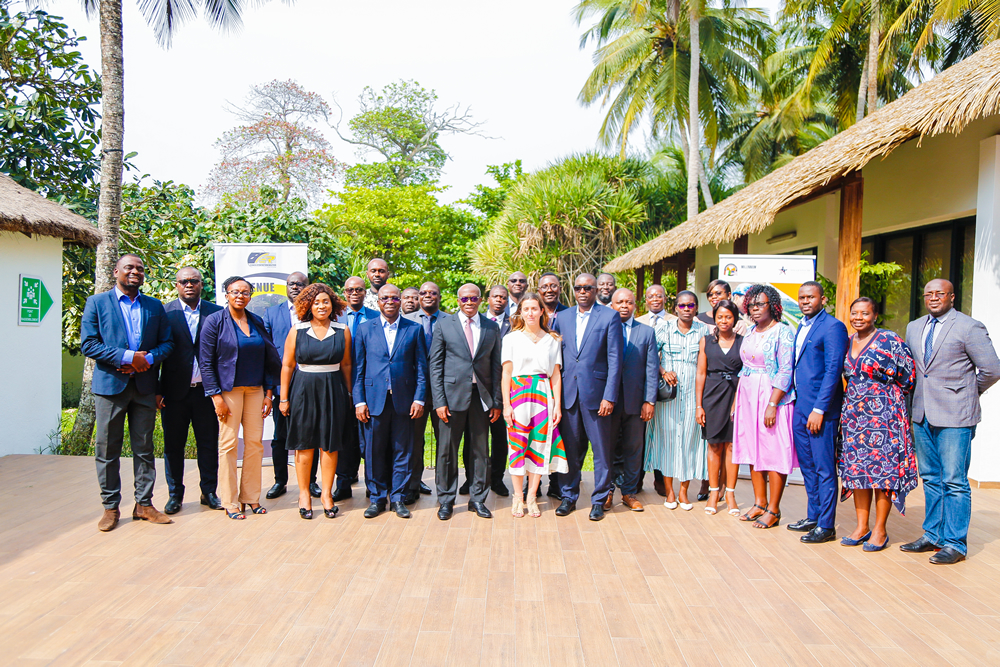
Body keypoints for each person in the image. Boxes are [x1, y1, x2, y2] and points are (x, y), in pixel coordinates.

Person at [902, 278, 1000, 564]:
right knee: (931, 477)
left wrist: (967, 392)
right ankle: (932, 534)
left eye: (940, 293)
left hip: (956, 415)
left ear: (952, 297)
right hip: (921, 413)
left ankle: (955, 543)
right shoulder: (914, 327)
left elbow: (992, 369)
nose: (933, 298)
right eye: (928, 294)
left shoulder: (969, 326)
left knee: (954, 480)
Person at [81, 254, 175, 532]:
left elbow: (167, 344)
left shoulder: (154, 306)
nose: (135, 272)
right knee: (107, 448)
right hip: (110, 387)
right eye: (129, 268)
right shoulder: (97, 303)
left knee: (144, 448)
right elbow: (89, 344)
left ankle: (143, 505)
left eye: (140, 268)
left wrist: (145, 359)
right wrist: (126, 356)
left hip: (144, 387)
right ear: (115, 272)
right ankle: (110, 508)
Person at [200, 276, 281, 520]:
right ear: (226, 294)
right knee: (228, 445)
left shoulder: (256, 321)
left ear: (250, 296)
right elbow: (205, 362)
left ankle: (251, 497)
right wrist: (216, 397)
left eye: (245, 292)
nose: (240, 296)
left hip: (255, 391)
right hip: (228, 392)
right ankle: (230, 501)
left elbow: (269, 359)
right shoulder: (214, 322)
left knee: (255, 444)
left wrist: (269, 393)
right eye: (235, 292)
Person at [839, 297, 917, 551]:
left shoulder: (889, 340)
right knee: (858, 472)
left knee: (882, 472)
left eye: (864, 313)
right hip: (854, 415)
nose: (858, 318)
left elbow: (908, 376)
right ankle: (862, 526)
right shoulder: (847, 341)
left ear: (875, 316)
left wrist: (887, 400)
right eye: (854, 313)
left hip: (885, 415)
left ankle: (880, 530)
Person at [551, 273, 623, 521]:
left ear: (595, 291)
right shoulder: (562, 317)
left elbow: (615, 359)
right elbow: (555, 358)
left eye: (588, 288)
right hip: (568, 395)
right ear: (574, 290)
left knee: (602, 451)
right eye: (579, 288)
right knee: (570, 449)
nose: (583, 291)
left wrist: (609, 396)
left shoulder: (610, 316)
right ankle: (568, 496)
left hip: (598, 396)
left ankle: (599, 500)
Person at [353, 284, 428, 519]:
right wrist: (359, 401)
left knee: (403, 451)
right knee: (374, 452)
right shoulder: (365, 330)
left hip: (405, 402)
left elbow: (422, 369)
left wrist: (419, 398)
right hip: (373, 401)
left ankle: (398, 498)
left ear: (400, 301)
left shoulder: (414, 329)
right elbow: (358, 369)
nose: (389, 302)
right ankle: (376, 498)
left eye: (394, 298)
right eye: (385, 298)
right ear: (378, 301)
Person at [430, 284, 503, 520]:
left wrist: (496, 402)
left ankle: (478, 499)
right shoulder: (443, 325)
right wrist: (439, 401)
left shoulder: (491, 327)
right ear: (458, 300)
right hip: (451, 399)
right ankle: (446, 501)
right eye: (464, 298)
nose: (468, 302)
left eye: (473, 298)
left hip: (481, 398)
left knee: (481, 451)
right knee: (446, 451)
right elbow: (435, 366)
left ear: (481, 300)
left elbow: (496, 366)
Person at [279, 284, 352, 520]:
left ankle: (327, 495)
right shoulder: (297, 330)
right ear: (308, 305)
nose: (322, 306)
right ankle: (303, 495)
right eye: (316, 302)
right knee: (304, 444)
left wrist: (349, 395)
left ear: (333, 304)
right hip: (303, 389)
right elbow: (288, 365)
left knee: (330, 445)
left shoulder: (343, 330)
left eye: (326, 301)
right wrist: (283, 398)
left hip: (333, 389)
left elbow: (347, 365)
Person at [157, 267, 223, 515]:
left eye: (194, 281)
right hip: (173, 394)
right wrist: (156, 390)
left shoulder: (216, 313)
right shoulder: (165, 313)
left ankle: (209, 492)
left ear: (201, 285)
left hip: (207, 393)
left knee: (208, 444)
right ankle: (175, 495)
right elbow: (156, 354)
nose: (189, 285)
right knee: (174, 446)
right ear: (176, 285)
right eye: (184, 281)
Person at [787, 281, 849, 544]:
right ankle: (813, 516)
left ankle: (826, 525)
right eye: (801, 297)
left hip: (819, 411)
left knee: (824, 468)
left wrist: (819, 409)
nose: (805, 301)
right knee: (808, 467)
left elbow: (834, 371)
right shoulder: (802, 325)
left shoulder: (833, 326)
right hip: (800, 407)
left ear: (823, 299)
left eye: (810, 297)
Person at [732, 284, 797, 529]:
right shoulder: (750, 331)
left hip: (772, 396)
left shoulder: (783, 332)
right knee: (752, 448)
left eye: (760, 304)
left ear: (773, 305)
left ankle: (774, 509)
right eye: (751, 305)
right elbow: (745, 367)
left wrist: (773, 403)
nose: (755, 309)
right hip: (748, 394)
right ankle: (759, 503)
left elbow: (785, 369)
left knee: (773, 450)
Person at [501, 293, 568, 518]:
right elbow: (506, 373)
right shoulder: (511, 338)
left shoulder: (553, 339)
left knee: (539, 446)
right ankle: (517, 497)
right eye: (526, 309)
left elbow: (556, 375)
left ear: (542, 311)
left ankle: (532, 496)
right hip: (518, 394)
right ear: (520, 312)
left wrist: (557, 405)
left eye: (534, 308)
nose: (530, 313)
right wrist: (506, 405)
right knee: (518, 446)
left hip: (542, 393)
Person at [644, 290, 708, 510]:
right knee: (668, 440)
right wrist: (663, 371)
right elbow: (651, 355)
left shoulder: (703, 330)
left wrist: (700, 403)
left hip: (693, 389)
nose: (687, 309)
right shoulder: (664, 328)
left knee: (690, 439)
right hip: (669, 392)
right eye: (682, 306)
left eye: (691, 305)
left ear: (696, 308)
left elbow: (704, 365)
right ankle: (669, 492)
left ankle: (684, 492)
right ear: (676, 308)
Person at [263, 272, 318, 501]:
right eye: (291, 284)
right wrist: (269, 389)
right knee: (280, 436)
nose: (295, 287)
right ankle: (280, 481)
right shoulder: (271, 313)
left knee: (311, 435)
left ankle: (312, 482)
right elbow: (266, 353)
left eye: (301, 284)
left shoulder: (315, 311)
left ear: (307, 287)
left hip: (312, 383)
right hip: (281, 386)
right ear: (286, 287)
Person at [605, 288, 657, 512]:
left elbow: (652, 368)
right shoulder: (603, 329)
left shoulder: (646, 332)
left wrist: (650, 400)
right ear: (612, 305)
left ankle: (629, 492)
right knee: (606, 448)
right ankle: (606, 491)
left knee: (634, 448)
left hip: (636, 403)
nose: (624, 305)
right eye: (620, 302)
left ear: (636, 305)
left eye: (629, 302)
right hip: (609, 401)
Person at [695, 299, 743, 516]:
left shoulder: (743, 341)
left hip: (735, 395)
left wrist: (738, 402)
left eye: (728, 316)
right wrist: (699, 406)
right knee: (714, 446)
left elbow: (746, 374)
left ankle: (730, 493)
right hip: (712, 396)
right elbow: (701, 373)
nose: (724, 321)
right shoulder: (706, 341)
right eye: (720, 317)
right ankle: (714, 492)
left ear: (735, 318)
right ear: (714, 318)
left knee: (733, 447)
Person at [334, 277, 379, 501]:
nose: (354, 293)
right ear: (344, 292)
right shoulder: (334, 316)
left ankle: (373, 486)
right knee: (344, 437)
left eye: (359, 289)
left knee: (368, 439)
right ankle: (343, 483)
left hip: (368, 385)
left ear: (364, 292)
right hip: (339, 384)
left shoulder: (375, 316)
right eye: (350, 290)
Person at [404, 281, 445, 501]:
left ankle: (444, 490)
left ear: (440, 296)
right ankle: (412, 486)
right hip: (414, 394)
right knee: (414, 441)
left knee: (444, 443)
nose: (428, 296)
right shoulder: (407, 321)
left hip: (443, 394)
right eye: (423, 293)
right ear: (418, 297)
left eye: (433, 293)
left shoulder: (450, 321)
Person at [484, 285, 512, 495]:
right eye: (496, 296)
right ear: (488, 299)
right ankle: (474, 478)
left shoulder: (515, 324)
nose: (499, 300)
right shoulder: (477, 322)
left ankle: (497, 479)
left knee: (500, 438)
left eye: (503, 297)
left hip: (506, 389)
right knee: (476, 438)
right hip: (478, 388)